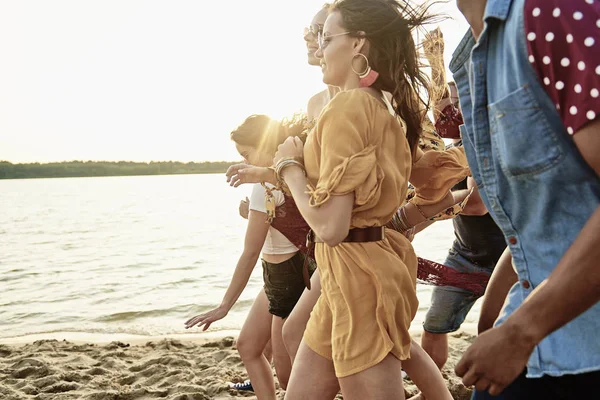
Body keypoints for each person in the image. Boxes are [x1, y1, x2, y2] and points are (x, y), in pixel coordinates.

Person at [231, 1, 456, 398]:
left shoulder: (347, 108)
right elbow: (414, 180)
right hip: (350, 274)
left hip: (358, 283)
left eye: (326, 36)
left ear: (358, 45)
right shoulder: (385, 103)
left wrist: (288, 168)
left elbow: (330, 227)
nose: (318, 46)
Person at [450, 0, 600, 398]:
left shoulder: (552, 11)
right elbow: (540, 220)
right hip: (536, 346)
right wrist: (498, 316)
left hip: (584, 355)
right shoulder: (474, 53)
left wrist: (520, 330)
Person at [184, 115, 316, 400]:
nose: (244, 162)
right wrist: (253, 216)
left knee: (288, 374)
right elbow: (292, 221)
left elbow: (250, 253)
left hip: (289, 281)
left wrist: (224, 306)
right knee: (248, 345)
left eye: (246, 154)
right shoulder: (293, 174)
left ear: (265, 144)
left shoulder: (264, 187)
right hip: (288, 275)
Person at [418, 27, 507, 380]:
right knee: (433, 326)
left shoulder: (488, 140)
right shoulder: (451, 146)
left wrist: (418, 212)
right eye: (450, 100)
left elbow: (475, 206)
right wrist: (435, 62)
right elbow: (440, 106)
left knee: (496, 336)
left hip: (507, 259)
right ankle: (433, 387)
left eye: (459, 100)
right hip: (465, 256)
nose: (451, 105)